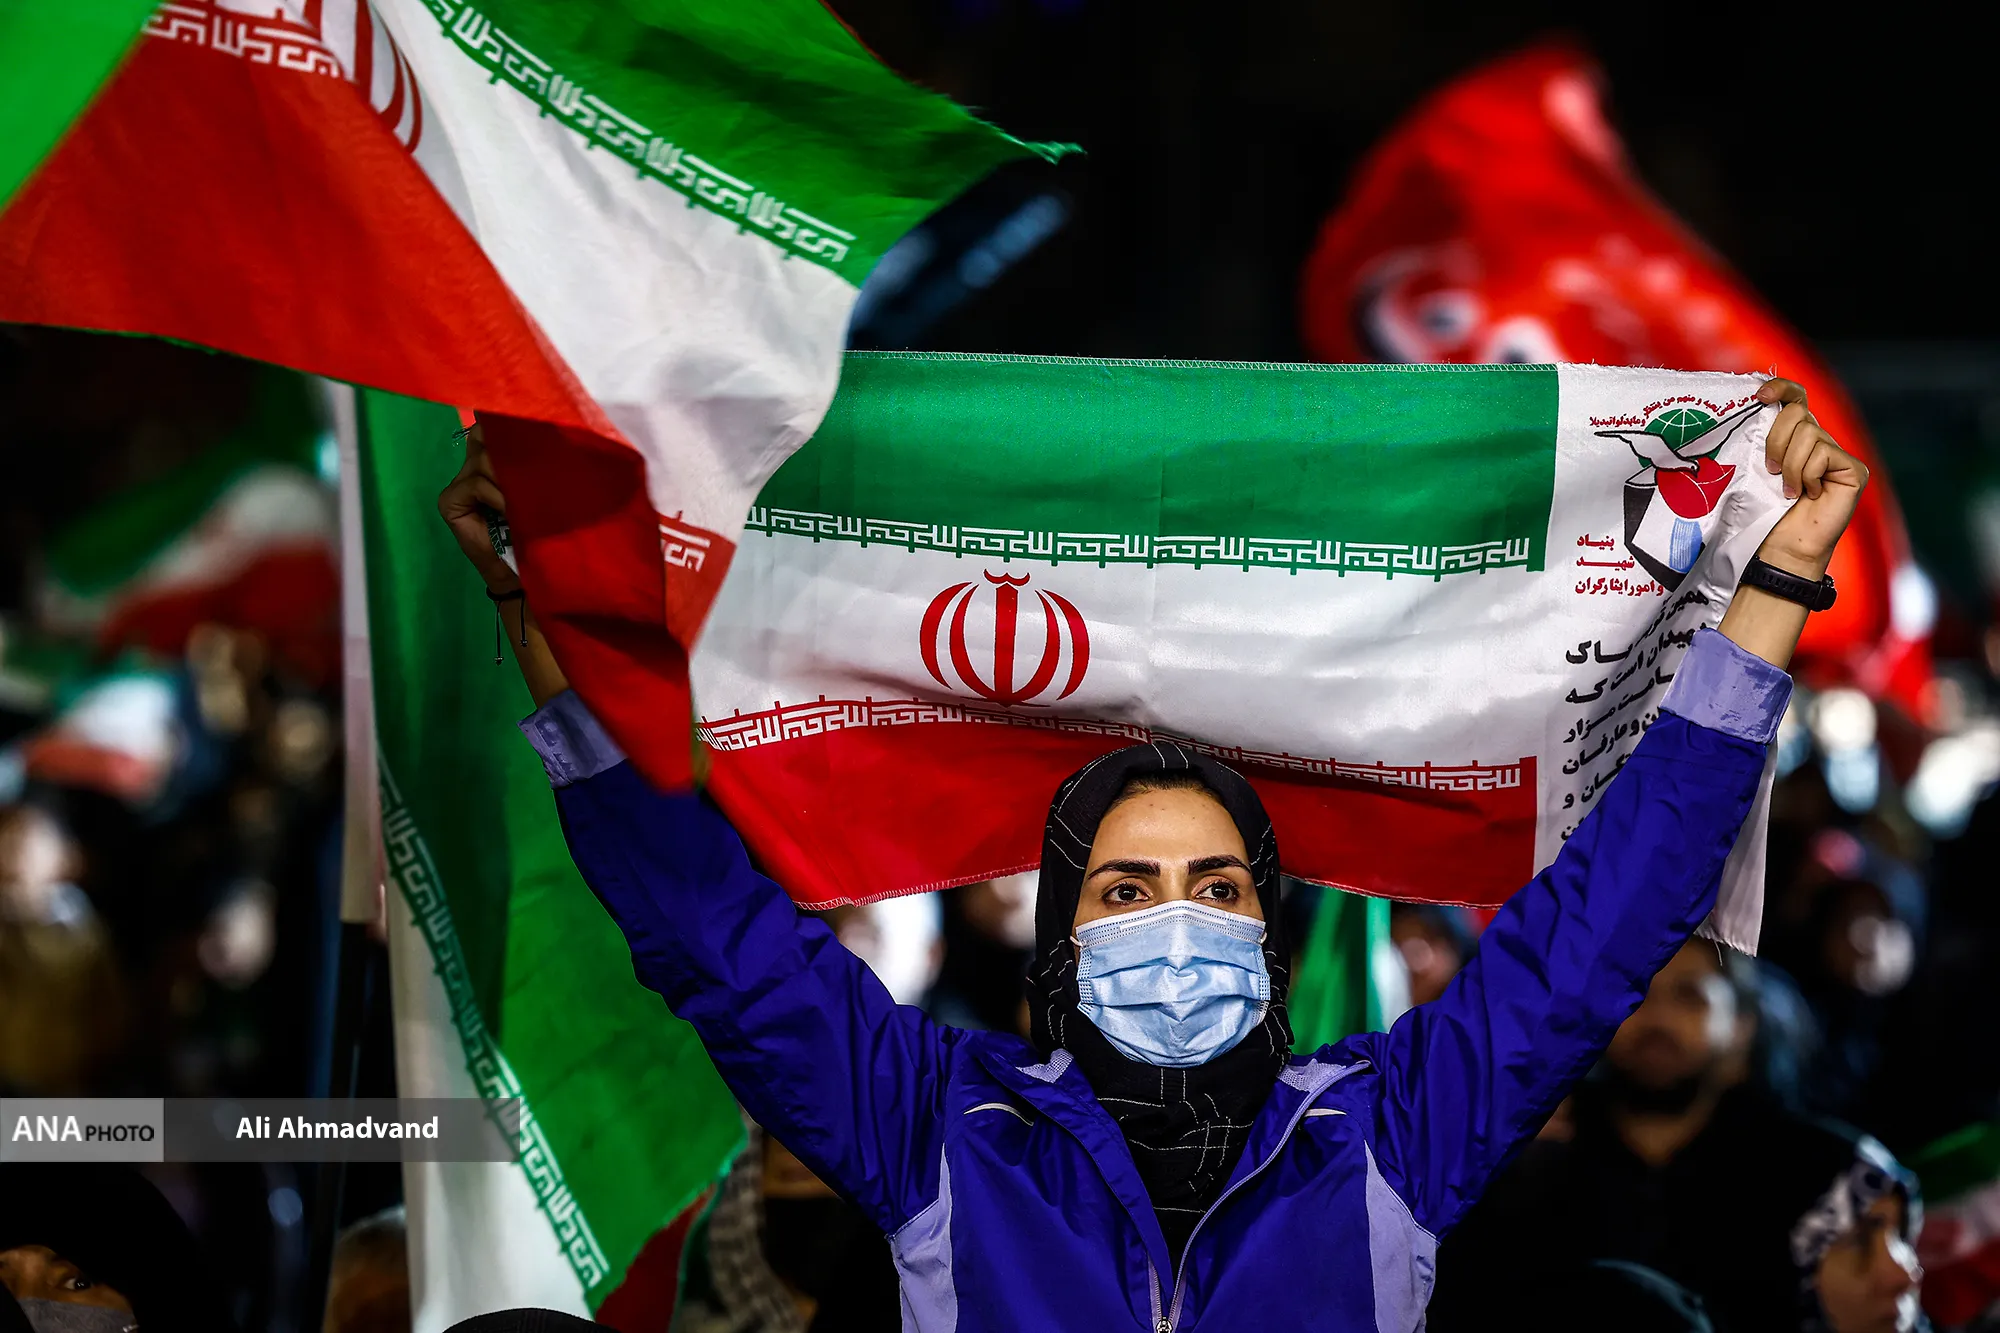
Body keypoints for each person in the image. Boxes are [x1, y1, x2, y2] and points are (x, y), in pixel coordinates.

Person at [440, 379, 1863, 1331]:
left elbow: (1612, 917)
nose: (1175, 924)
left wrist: (1781, 575)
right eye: (1125, 890)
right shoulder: (937, 1124)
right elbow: (712, 935)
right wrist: (538, 608)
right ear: (1064, 936)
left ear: (1267, 930)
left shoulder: (1389, 1129)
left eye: (1216, 888)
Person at [1427, 938, 1925, 1332]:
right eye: (1637, 992)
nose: (1658, 1019)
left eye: (1690, 996)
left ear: (1741, 1028)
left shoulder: (1815, 1175)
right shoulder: (1527, 1160)